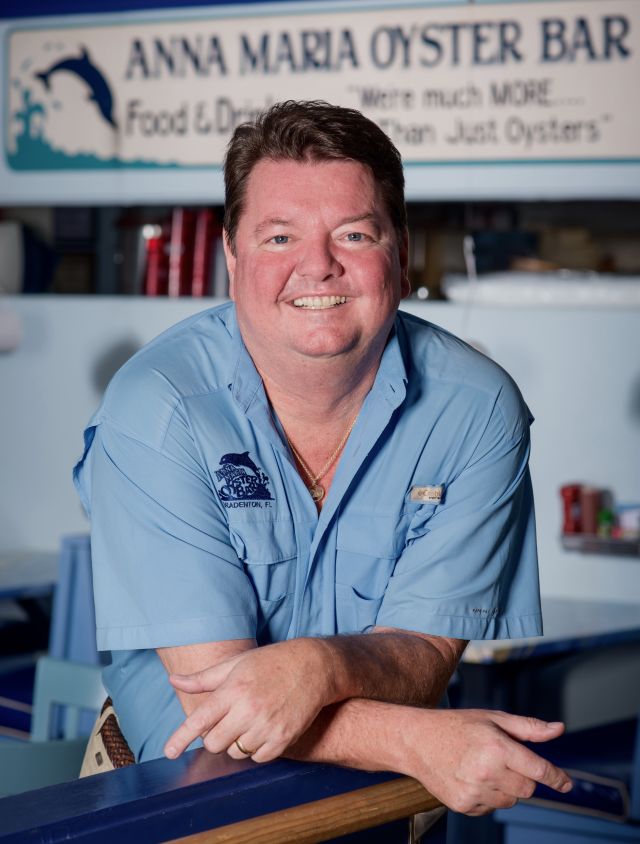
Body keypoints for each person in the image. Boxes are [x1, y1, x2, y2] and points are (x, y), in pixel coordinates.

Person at [73, 100, 571, 817]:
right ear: (231, 255)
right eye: (278, 236)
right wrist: (413, 740)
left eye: (353, 233)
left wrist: (320, 664)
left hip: (373, 804)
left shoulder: (476, 409)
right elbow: (224, 706)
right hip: (168, 800)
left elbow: (424, 658)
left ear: (399, 251)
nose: (317, 266)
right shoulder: (157, 407)